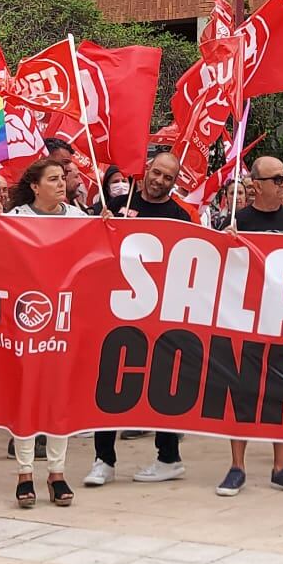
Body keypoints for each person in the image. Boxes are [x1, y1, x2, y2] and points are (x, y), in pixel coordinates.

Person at [89, 149, 187, 486]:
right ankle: (104, 459)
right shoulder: (118, 205)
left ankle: (169, 456)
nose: (159, 181)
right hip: (115, 310)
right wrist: (99, 223)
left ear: (175, 183)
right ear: (146, 169)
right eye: (156, 172)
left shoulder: (179, 216)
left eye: (168, 178)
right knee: (109, 382)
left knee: (163, 384)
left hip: (160, 313)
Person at [220, 154, 283, 496]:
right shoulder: (236, 220)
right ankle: (237, 467)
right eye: (276, 179)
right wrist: (224, 243)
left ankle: (281, 467)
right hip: (245, 321)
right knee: (242, 391)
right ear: (255, 185)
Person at [3, 156, 80, 507]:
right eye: (52, 179)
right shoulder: (16, 220)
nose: (61, 183)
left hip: (64, 317)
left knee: (59, 394)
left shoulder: (80, 218)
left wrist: (109, 228)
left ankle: (57, 472)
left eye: (62, 178)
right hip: (27, 317)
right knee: (26, 393)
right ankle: (24, 473)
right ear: (35, 186)